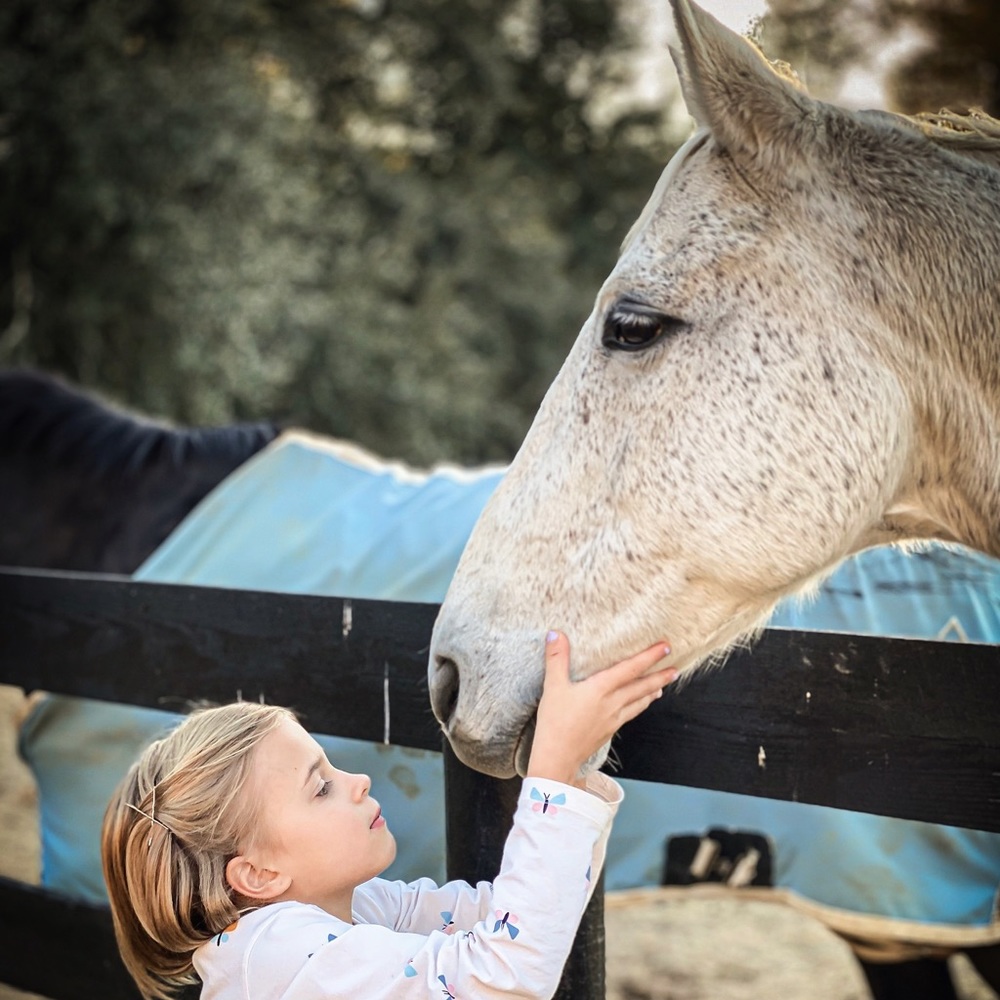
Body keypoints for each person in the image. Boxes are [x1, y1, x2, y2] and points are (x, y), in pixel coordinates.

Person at [102, 630, 676, 1000]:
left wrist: (570, 771)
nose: (359, 782)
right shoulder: (279, 953)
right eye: (320, 787)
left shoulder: (357, 907)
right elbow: (501, 976)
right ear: (257, 874)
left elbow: (507, 914)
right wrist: (550, 771)